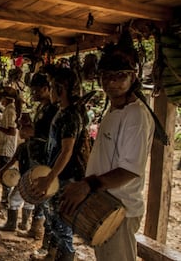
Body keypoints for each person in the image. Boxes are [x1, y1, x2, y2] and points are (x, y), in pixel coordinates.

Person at [60, 34, 155, 261]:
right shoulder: (114, 109)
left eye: (120, 76)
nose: (112, 82)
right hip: (105, 204)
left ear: (133, 77)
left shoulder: (135, 115)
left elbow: (130, 170)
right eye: (106, 76)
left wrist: (87, 185)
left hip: (120, 210)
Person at [31, 66, 87, 261]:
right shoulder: (61, 111)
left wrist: (50, 177)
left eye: (53, 87)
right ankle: (52, 255)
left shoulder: (71, 115)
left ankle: (66, 256)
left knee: (62, 222)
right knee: (53, 219)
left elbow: (67, 150)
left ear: (61, 90)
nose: (51, 91)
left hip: (64, 176)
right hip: (56, 174)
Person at [21, 72, 58, 256]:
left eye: (36, 90)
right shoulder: (41, 109)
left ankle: (48, 247)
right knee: (42, 203)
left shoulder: (52, 110)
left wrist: (30, 131)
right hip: (37, 159)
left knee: (48, 205)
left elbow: (47, 136)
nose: (33, 93)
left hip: (46, 163)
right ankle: (39, 234)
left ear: (46, 89)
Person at [0, 113, 37, 232]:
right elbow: (14, 160)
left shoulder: (25, 146)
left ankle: (11, 224)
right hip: (34, 177)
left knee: (14, 199)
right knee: (29, 200)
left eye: (22, 129)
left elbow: (13, 160)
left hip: (26, 177)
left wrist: (2, 170)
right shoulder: (29, 146)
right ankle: (24, 224)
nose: (20, 131)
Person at [0, 86, 19, 208]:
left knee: (5, 175)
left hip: (6, 149)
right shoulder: (7, 109)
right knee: (2, 174)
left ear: (6, 98)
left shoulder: (10, 111)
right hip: (3, 148)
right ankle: (4, 200)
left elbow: (12, 131)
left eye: (1, 98)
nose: (0, 101)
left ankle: (5, 202)